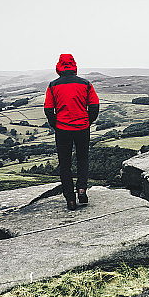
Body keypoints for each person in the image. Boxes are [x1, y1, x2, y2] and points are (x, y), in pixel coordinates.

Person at [44, 54, 100, 210]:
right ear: (74, 65)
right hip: (82, 128)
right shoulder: (85, 84)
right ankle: (81, 189)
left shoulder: (53, 85)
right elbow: (94, 106)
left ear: (59, 66)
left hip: (62, 130)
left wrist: (56, 125)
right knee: (82, 159)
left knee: (65, 164)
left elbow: (48, 109)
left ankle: (70, 199)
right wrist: (87, 121)